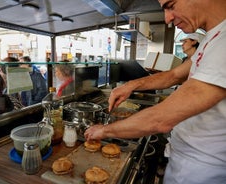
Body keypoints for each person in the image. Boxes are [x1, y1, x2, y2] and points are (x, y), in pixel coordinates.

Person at [85, 0, 226, 183]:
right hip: (187, 158)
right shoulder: (212, 38)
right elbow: (174, 75)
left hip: (202, 169)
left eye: (171, 5)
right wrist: (130, 85)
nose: (167, 19)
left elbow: (161, 119)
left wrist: (104, 131)